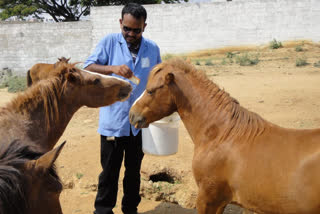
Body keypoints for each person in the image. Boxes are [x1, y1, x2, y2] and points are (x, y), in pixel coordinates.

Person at [84, 3, 161, 214]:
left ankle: (130, 209)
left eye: (136, 30)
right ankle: (103, 210)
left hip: (138, 123)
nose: (130, 33)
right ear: (121, 23)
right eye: (126, 28)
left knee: (134, 172)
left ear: (144, 26)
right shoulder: (109, 42)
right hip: (113, 122)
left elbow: (157, 79)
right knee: (109, 172)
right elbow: (88, 67)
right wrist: (112, 68)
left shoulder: (152, 49)